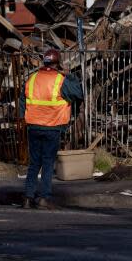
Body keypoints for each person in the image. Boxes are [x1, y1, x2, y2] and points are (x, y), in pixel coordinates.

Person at [19, 49, 83, 209]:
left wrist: (23, 118)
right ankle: (44, 198)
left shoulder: (32, 79)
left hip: (33, 126)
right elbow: (78, 93)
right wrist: (70, 75)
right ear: (58, 63)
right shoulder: (61, 80)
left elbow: (22, 102)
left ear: (44, 62)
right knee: (47, 163)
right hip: (52, 127)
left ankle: (28, 198)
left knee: (34, 163)